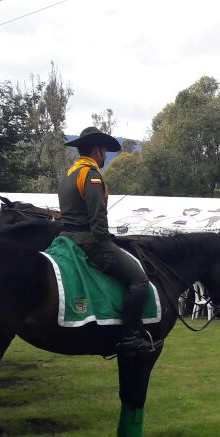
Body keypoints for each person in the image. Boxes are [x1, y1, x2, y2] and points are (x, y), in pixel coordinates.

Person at [58, 126, 157, 356]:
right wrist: (106, 245)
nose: (105, 156)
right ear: (97, 150)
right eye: (104, 151)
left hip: (68, 238)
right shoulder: (90, 175)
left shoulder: (68, 175)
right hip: (89, 241)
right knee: (139, 280)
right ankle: (131, 337)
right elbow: (97, 218)